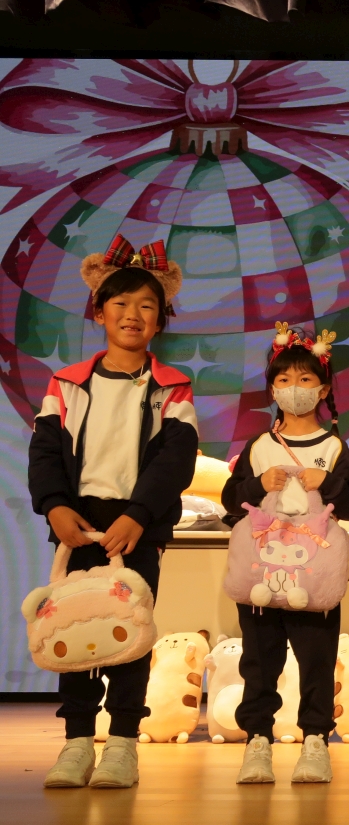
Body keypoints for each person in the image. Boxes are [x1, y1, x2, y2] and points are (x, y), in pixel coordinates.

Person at [32, 237, 198, 789]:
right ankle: (77, 743)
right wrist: (55, 507)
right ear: (99, 312)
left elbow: (176, 459)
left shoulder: (173, 388)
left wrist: (140, 515)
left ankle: (123, 744)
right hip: (77, 526)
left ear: (160, 321)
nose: (133, 314)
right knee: (73, 626)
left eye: (146, 305)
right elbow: (45, 452)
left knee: (130, 632)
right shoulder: (66, 383)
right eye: (120, 303)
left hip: (135, 528)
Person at [220, 325, 349, 785]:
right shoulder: (259, 446)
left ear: (323, 389)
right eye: (283, 380)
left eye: (304, 380)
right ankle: (257, 741)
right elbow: (229, 499)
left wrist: (330, 483)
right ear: (272, 389)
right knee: (259, 661)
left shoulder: (334, 446)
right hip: (262, 569)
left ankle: (315, 740)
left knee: (317, 660)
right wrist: (257, 485)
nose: (293, 389)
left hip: (314, 574)